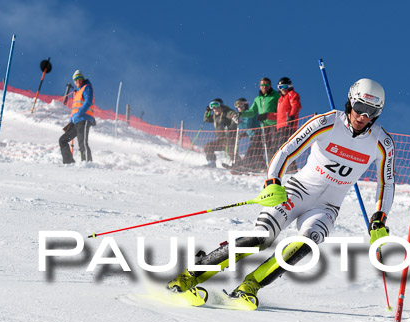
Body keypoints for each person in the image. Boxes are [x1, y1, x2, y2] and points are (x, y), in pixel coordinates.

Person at [167, 78, 396, 309]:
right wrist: (273, 182)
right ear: (350, 103)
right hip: (297, 192)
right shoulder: (327, 122)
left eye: (371, 111)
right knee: (261, 238)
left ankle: (250, 287)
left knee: (307, 243)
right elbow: (286, 151)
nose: (363, 116)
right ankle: (190, 276)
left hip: (326, 207)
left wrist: (379, 219)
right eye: (359, 108)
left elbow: (387, 182)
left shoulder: (382, 142)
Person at [235, 77, 281, 172]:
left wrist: (269, 115)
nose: (264, 87)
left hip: (275, 124)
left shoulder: (276, 96)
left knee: (274, 147)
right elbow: (252, 112)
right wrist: (241, 113)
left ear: (270, 85)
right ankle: (257, 165)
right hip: (264, 126)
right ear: (260, 86)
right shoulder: (258, 99)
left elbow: (281, 110)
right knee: (262, 146)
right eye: (262, 85)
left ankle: (277, 168)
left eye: (266, 84)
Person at [59, 70, 96, 164]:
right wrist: (71, 122)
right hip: (76, 122)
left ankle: (87, 163)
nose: (78, 81)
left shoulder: (87, 88)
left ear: (82, 79)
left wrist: (79, 113)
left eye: (79, 79)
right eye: (76, 80)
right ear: (74, 82)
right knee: (62, 140)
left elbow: (88, 101)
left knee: (82, 142)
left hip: (84, 119)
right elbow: (74, 110)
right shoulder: (77, 92)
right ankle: (68, 162)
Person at [203, 98, 238, 168]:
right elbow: (206, 119)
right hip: (220, 140)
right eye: (212, 106)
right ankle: (211, 162)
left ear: (221, 105)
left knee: (231, 151)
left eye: (216, 105)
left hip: (229, 138)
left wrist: (230, 128)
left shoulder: (226, 112)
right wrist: (207, 111)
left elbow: (233, 116)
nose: (214, 108)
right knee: (208, 146)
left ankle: (238, 164)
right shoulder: (214, 116)